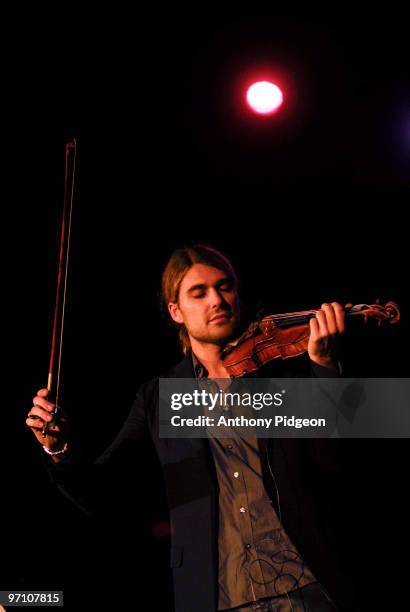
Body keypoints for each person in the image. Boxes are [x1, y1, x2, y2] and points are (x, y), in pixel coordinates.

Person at [26, 244, 358, 611]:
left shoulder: (280, 374)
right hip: (219, 596)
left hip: (307, 589)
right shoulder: (159, 397)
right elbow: (100, 493)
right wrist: (59, 449)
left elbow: (337, 464)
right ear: (176, 311)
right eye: (198, 293)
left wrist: (326, 369)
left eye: (224, 287)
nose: (216, 300)